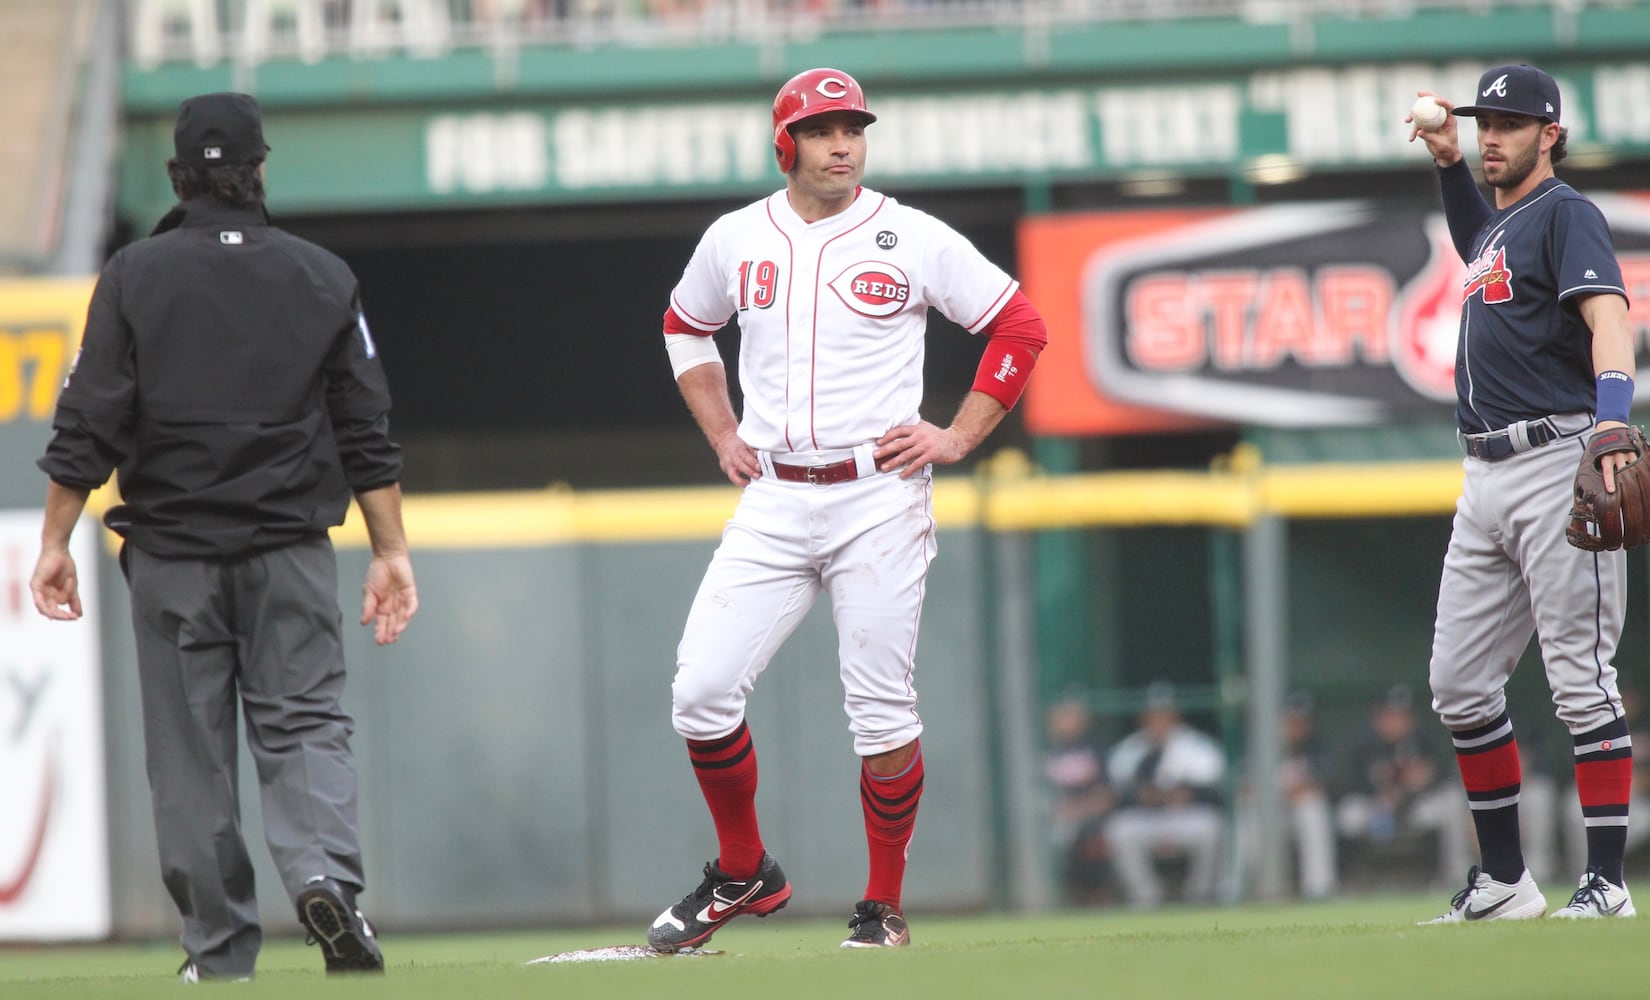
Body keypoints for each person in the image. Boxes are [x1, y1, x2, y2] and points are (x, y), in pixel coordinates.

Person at [644, 67, 1047, 952]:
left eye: (854, 129)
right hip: (775, 492)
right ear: (784, 143)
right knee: (701, 694)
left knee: (879, 710)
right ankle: (744, 869)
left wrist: (960, 435)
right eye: (822, 130)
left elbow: (1019, 325)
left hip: (879, 493)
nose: (842, 144)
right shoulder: (736, 236)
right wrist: (720, 431)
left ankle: (882, 904)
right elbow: (684, 323)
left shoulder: (910, 235)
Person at [29, 93, 418, 980]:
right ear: (260, 171)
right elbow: (368, 430)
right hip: (287, 549)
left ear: (178, 176)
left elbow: (87, 418)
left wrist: (55, 539)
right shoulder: (322, 275)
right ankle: (324, 878)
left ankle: (218, 953)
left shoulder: (133, 274)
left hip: (172, 557)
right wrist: (391, 550)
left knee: (189, 757)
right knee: (305, 725)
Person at [1407, 63, 1638, 922]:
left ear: (1549, 134)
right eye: (1483, 122)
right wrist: (1444, 164)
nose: (1490, 135)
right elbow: (1479, 248)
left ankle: (1608, 885)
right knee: (1459, 685)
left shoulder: (1567, 212)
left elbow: (1609, 315)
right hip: (1483, 475)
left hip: (1557, 457)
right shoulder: (1504, 226)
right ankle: (1506, 884)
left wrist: (1614, 421)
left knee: (1580, 681)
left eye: (1508, 123)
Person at [1101, 683, 1226, 907]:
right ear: (1144, 718)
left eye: (1164, 715)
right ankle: (1146, 896)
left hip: (1186, 817)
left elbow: (1214, 793)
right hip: (1148, 819)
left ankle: (1200, 895)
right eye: (1153, 716)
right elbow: (1117, 795)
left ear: (1175, 716)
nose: (1159, 722)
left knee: (1211, 825)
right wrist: (1142, 796)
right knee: (1119, 828)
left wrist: (1187, 794)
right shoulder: (1130, 749)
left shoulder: (1197, 746)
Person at [1334, 684, 1471, 885]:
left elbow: (1445, 774)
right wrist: (1379, 794)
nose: (1396, 722)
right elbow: (1345, 784)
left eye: (1401, 716)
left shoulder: (1423, 739)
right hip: (1374, 809)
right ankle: (1346, 879)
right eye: (1390, 716)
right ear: (1378, 717)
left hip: (1416, 808)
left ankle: (1456, 876)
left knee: (1451, 802)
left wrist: (1424, 780)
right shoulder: (1363, 742)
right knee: (1348, 815)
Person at [1043, 697, 1116, 905]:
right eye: (1062, 717)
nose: (1066, 723)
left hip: (1088, 817)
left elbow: (1107, 795)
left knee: (1092, 833)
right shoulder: (1043, 753)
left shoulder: (1096, 752)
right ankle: (1064, 897)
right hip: (1052, 818)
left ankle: (1096, 895)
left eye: (1072, 718)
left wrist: (1079, 809)